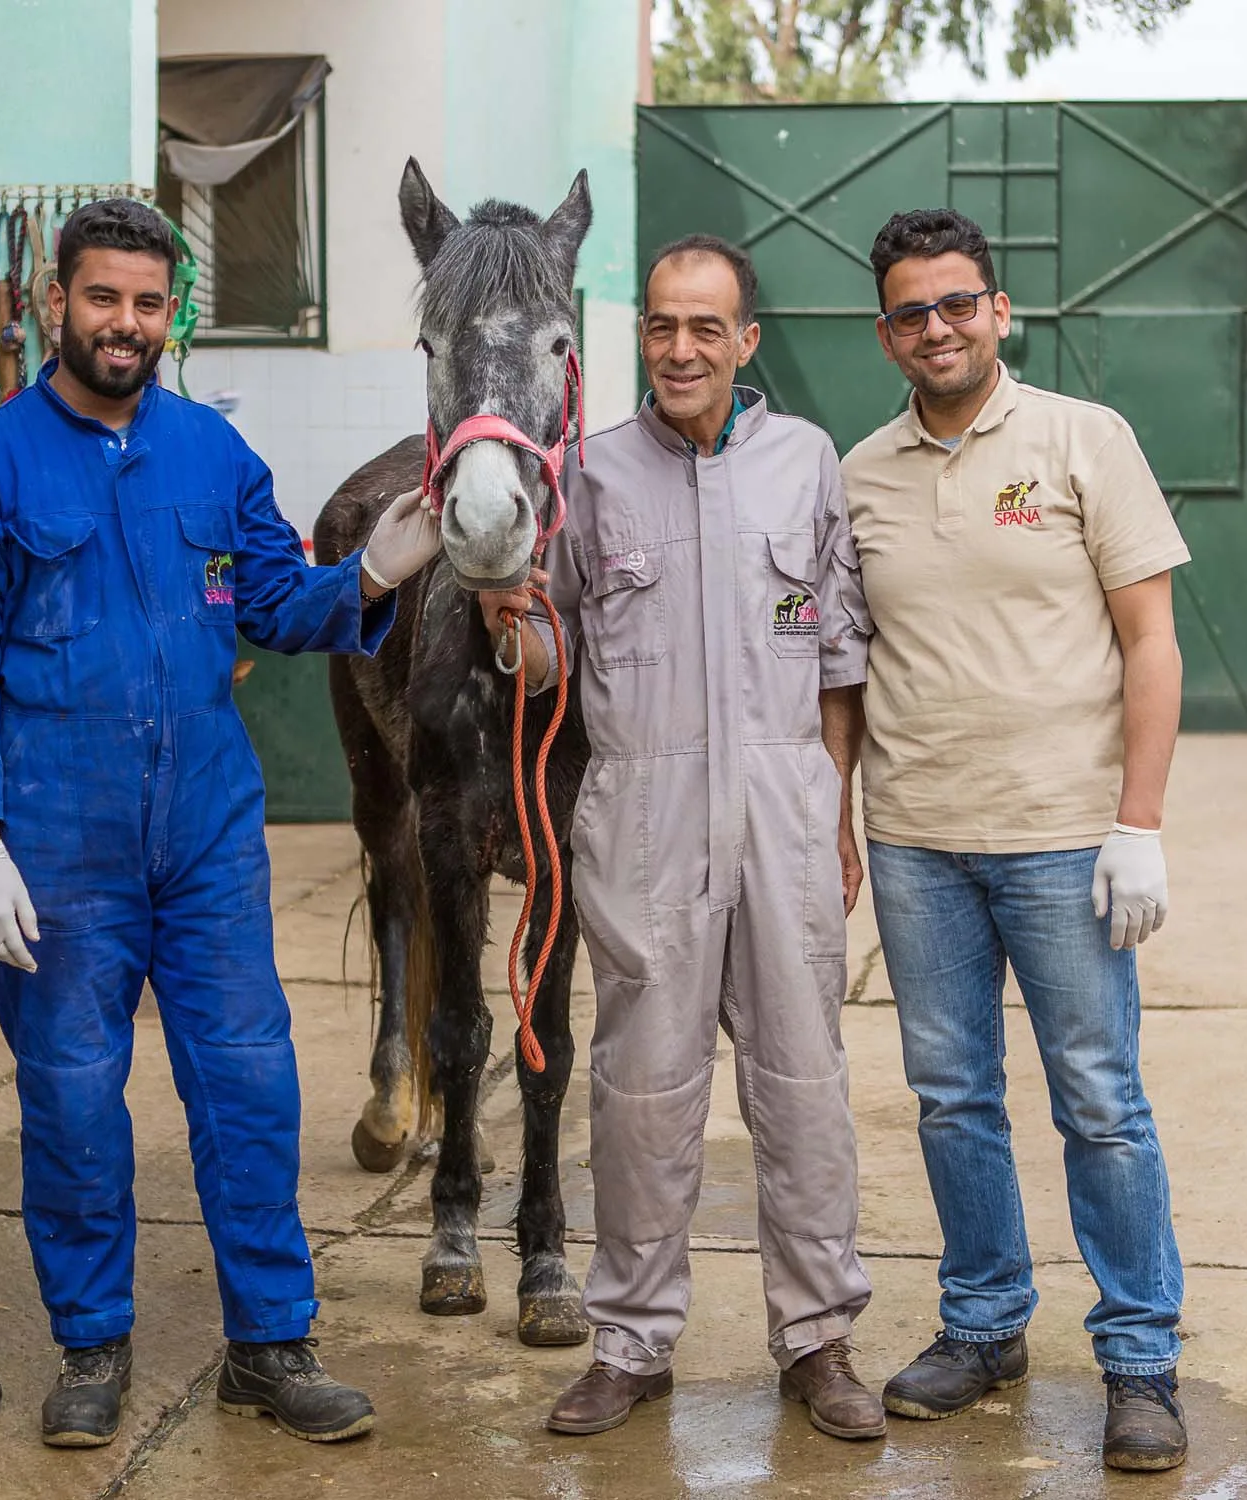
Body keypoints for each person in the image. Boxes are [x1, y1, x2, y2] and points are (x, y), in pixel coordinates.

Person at [0, 198, 441, 1450]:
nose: (126, 324)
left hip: (206, 832)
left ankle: (269, 1343)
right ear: (55, 304)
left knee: (250, 1089)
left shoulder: (214, 457)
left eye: (150, 304)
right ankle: (91, 1346)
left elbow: (275, 603)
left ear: (172, 314)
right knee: (73, 1103)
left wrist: (372, 573)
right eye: (103, 298)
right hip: (57, 843)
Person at [486, 234, 882, 1441]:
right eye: (661, 325)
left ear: (745, 341)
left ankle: (816, 1340)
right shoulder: (588, 476)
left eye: (706, 327)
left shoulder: (803, 461)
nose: (680, 348)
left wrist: (834, 809)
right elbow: (551, 656)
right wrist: (515, 623)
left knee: (803, 1087)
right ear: (639, 337)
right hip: (642, 815)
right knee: (641, 1095)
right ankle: (631, 1344)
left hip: (782, 807)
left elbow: (837, 653)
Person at [840, 207, 1191, 1473]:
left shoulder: (1080, 440)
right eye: (910, 312)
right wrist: (838, 825)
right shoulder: (859, 474)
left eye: (955, 304)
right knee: (950, 1099)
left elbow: (1149, 639)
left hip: (1060, 839)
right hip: (917, 840)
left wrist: (1135, 824)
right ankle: (983, 1322)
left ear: (997, 311)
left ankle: (1139, 1354)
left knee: (1097, 1102)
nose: (935, 328)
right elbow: (842, 669)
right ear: (885, 334)